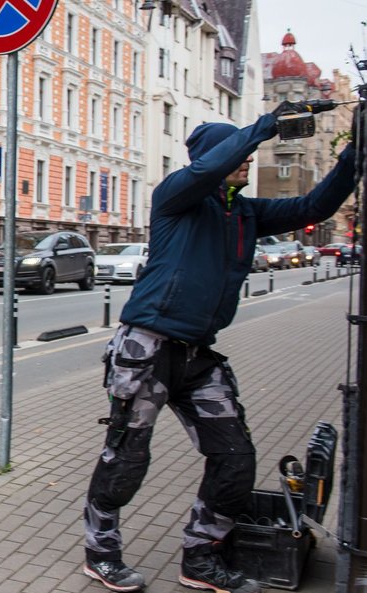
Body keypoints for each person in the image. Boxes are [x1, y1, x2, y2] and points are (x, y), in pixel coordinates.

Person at [82, 103, 360, 593]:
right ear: (214, 157)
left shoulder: (246, 213)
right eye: (240, 152)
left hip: (197, 355)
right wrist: (264, 127)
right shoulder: (176, 198)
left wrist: (353, 156)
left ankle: (200, 557)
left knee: (236, 458)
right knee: (126, 458)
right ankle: (101, 552)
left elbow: (314, 207)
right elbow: (207, 169)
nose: (249, 161)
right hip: (147, 349)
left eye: (249, 152)